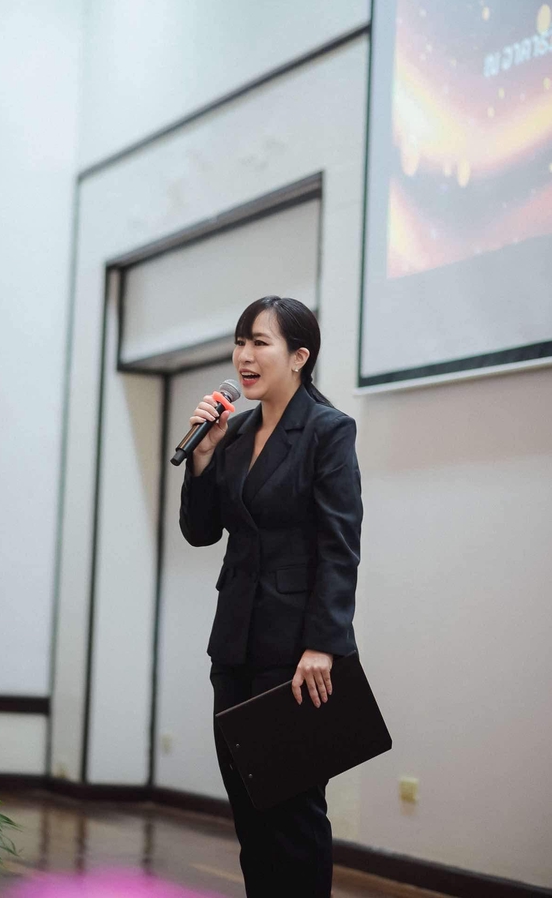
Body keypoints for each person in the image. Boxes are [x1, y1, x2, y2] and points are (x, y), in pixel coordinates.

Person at [179, 295, 362, 898]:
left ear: (299, 357)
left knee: (293, 816)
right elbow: (201, 532)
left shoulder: (327, 430)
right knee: (251, 815)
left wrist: (323, 645)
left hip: (295, 654)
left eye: (260, 343)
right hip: (234, 646)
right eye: (240, 342)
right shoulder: (233, 432)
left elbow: (340, 546)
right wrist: (203, 455)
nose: (245, 356)